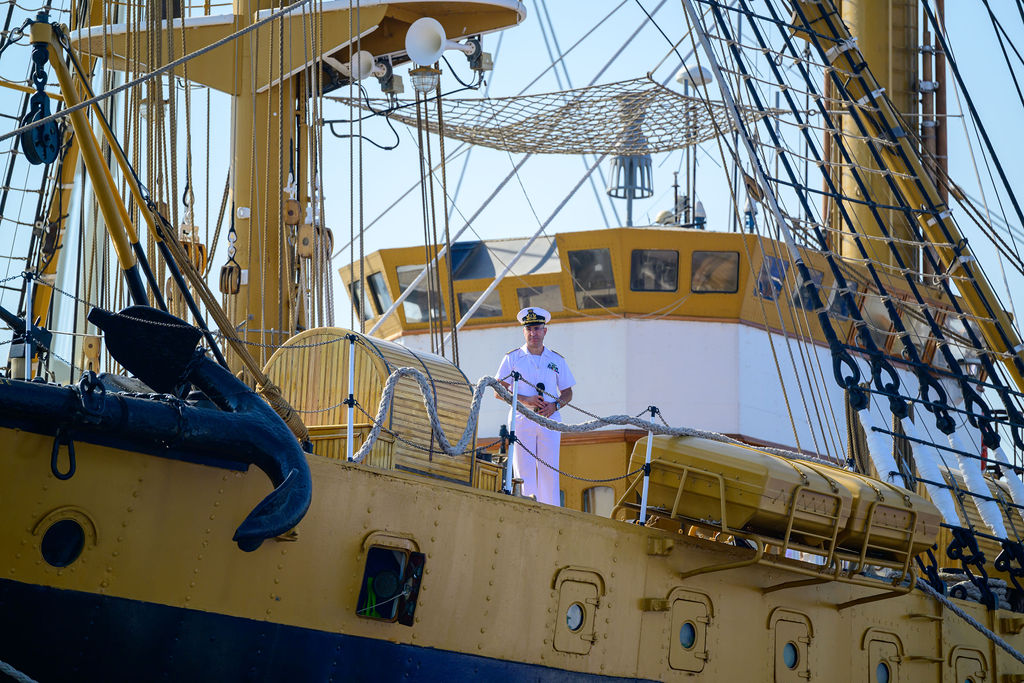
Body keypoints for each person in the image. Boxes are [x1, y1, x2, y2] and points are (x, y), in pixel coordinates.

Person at [495, 307, 575, 506]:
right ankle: (527, 511)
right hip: (522, 420)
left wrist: (555, 406)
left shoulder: (556, 360)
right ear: (524, 331)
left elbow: (567, 392)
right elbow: (498, 390)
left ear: (545, 331)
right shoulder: (512, 358)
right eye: (529, 329)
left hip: (549, 420)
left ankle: (552, 513)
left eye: (537, 329)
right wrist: (524, 400)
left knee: (550, 471)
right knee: (524, 472)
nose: (533, 333)